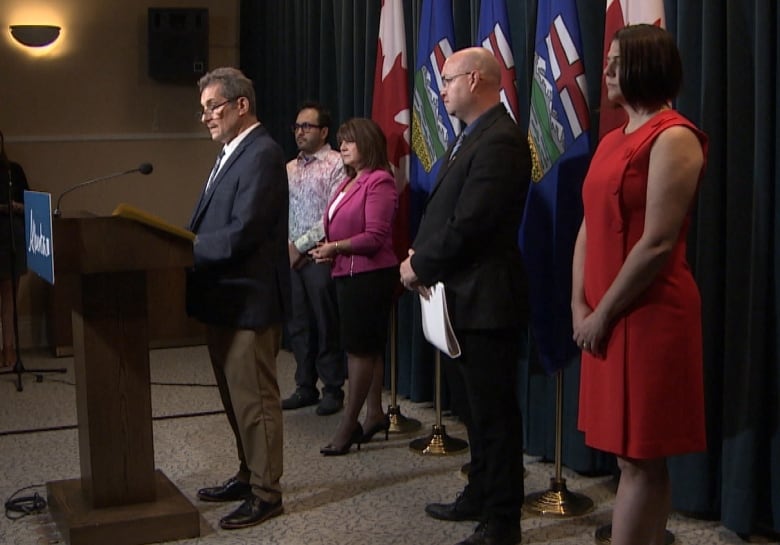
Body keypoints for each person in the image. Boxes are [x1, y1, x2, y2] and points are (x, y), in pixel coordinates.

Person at [572, 25, 708, 545]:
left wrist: (601, 312)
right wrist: (577, 303)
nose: (605, 71)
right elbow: (588, 224)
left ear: (645, 66)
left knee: (641, 456)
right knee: (628, 454)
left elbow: (655, 243)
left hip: (649, 315)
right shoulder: (612, 139)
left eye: (615, 62)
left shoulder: (675, 137)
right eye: (607, 62)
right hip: (604, 313)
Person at [399, 47, 530, 545]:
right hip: (458, 300)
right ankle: (479, 493)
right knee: (473, 413)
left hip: (486, 302)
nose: (441, 89)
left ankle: (502, 521)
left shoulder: (501, 140)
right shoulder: (471, 138)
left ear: (475, 80)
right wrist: (423, 253)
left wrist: (421, 265)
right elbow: (448, 213)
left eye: (448, 80)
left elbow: (472, 223)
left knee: (494, 418)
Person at [185, 67, 291, 530]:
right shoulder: (232, 152)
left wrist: (185, 249)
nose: (206, 116)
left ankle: (267, 493)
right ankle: (249, 474)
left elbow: (245, 230)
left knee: (256, 402)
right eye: (204, 108)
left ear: (241, 105)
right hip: (222, 299)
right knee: (234, 398)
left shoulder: (263, 153)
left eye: (213, 107)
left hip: (249, 301)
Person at [310, 118, 398, 455]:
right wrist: (325, 245)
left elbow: (375, 237)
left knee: (360, 349)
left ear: (368, 144)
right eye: (341, 141)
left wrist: (336, 247)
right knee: (367, 348)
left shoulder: (380, 182)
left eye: (350, 142)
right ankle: (374, 414)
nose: (342, 146)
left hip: (370, 276)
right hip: (346, 274)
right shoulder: (349, 182)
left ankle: (350, 423)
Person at [282, 102, 346, 416]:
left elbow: (333, 214)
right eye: (296, 127)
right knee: (299, 324)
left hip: (321, 254)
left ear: (323, 131)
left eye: (307, 126)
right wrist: (288, 247)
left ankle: (333, 388)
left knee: (325, 322)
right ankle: (304, 385)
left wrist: (301, 245)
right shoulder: (289, 168)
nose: (300, 132)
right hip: (291, 256)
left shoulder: (337, 163)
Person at [0, 130, 29, 370]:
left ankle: (9, 347)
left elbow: (29, 201)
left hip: (12, 236)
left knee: (10, 295)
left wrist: (17, 206)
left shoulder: (13, 171)